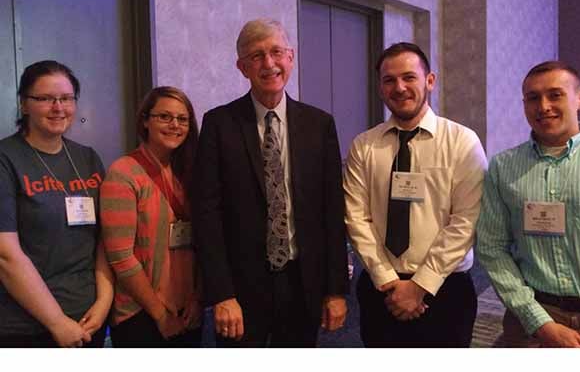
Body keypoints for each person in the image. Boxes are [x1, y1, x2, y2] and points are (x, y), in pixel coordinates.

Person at [193, 18, 348, 347]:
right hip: (241, 288)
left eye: (277, 52)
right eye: (256, 56)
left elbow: (332, 210)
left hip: (303, 280)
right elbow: (207, 214)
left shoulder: (319, 125)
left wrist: (335, 290)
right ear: (242, 67)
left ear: (291, 57)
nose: (269, 63)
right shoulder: (219, 124)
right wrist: (221, 294)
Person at [344, 42, 487, 347]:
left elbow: (466, 221)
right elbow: (356, 218)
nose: (399, 87)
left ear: (429, 81)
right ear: (381, 88)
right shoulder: (364, 146)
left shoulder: (462, 141)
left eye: (409, 77)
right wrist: (387, 280)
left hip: (445, 289)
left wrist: (421, 286)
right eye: (389, 80)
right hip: (380, 288)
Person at [476, 61, 580, 348]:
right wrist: (539, 323)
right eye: (533, 98)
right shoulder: (503, 167)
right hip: (531, 318)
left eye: (555, 95)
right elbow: (491, 248)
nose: (543, 106)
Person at [0, 60, 113, 347]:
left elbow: (104, 239)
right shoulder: (6, 159)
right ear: (24, 104)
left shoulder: (87, 158)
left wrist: (103, 302)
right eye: (45, 99)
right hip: (25, 326)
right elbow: (6, 255)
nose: (58, 107)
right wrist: (56, 321)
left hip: (88, 320)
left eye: (66, 98)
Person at [100, 86, 202, 347]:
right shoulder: (123, 173)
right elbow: (120, 257)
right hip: (141, 314)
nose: (174, 125)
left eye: (182, 119)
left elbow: (205, 244)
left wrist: (197, 298)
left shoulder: (189, 172)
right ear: (145, 120)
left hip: (188, 312)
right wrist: (159, 314)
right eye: (164, 117)